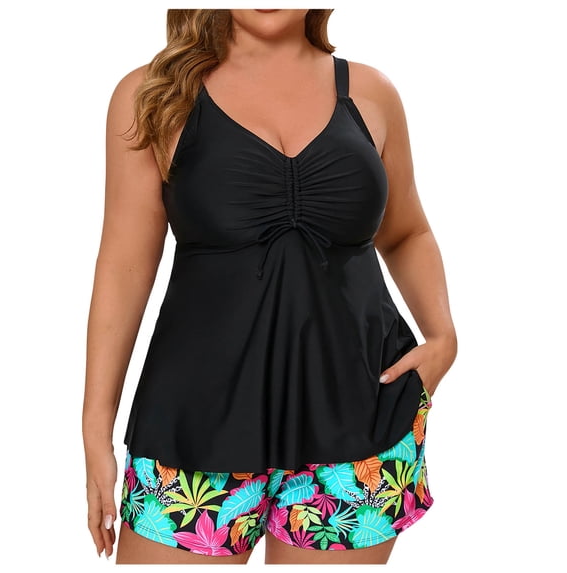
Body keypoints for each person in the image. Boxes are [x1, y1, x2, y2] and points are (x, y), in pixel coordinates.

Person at [82, 8, 457, 565]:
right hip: (193, 432)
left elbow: (406, 232)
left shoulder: (371, 93)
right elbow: (123, 265)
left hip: (358, 433)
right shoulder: (155, 94)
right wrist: (95, 424)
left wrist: (443, 337)